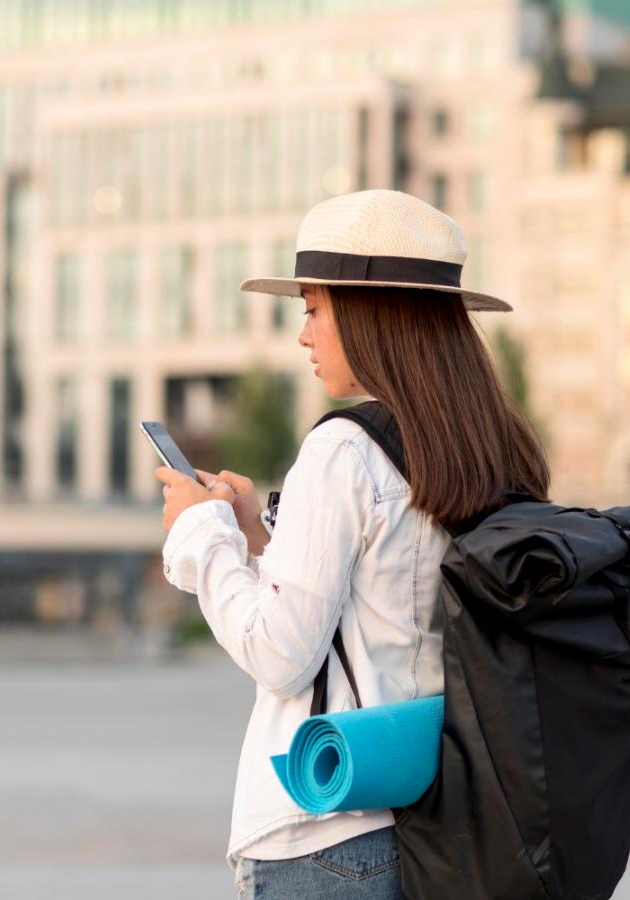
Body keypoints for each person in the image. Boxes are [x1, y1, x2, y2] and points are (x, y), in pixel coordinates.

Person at [154, 189, 550, 899]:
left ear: (372, 317)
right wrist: (255, 535)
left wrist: (201, 534)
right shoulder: (494, 449)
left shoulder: (344, 449)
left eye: (314, 310)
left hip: (328, 831)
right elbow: (391, 605)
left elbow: (280, 654)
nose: (303, 336)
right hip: (436, 826)